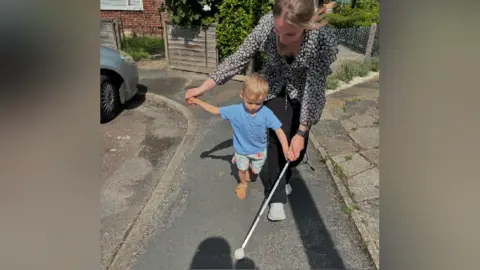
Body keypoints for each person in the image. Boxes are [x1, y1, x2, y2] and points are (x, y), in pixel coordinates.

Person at [185, 0, 339, 221]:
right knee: (277, 138)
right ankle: (276, 199)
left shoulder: (321, 40)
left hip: (303, 93)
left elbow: (314, 88)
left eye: (290, 35)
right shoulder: (266, 25)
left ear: (306, 26)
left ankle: (284, 176)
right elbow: (238, 59)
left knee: (296, 151)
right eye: (278, 31)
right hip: (273, 87)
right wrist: (202, 88)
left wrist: (302, 132)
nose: (281, 40)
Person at [187, 73, 290, 200]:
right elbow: (215, 110)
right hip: (241, 150)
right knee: (241, 170)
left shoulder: (266, 113)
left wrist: (286, 149)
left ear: (264, 98)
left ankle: (252, 171)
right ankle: (242, 184)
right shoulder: (235, 110)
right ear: (242, 95)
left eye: (258, 103)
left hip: (259, 150)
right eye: (250, 102)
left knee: (256, 171)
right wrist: (197, 101)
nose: (253, 107)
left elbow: (279, 130)